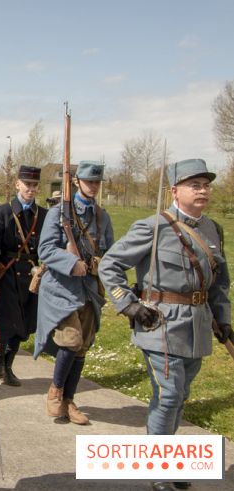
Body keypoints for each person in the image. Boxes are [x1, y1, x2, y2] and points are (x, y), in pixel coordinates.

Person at [99, 159, 230, 491]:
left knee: (181, 395)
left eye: (206, 185)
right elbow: (111, 265)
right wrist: (128, 304)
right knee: (169, 395)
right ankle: (158, 469)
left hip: (197, 327)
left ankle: (170, 459)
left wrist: (224, 322)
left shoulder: (213, 229)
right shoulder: (153, 226)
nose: (203, 190)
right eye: (194, 185)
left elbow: (219, 284)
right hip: (160, 324)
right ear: (175, 191)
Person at [34, 160, 114, 425]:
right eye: (89, 181)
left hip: (89, 289)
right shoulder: (59, 214)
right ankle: (55, 391)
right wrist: (72, 264)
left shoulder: (103, 217)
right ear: (77, 182)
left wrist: (101, 265)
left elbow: (109, 253)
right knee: (70, 341)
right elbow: (45, 249)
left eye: (97, 182)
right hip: (61, 289)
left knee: (82, 347)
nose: (93, 186)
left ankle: (69, 400)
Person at [0, 165, 47, 386]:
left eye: (34, 186)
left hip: (32, 277)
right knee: (7, 321)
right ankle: (1, 363)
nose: (30, 189)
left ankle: (7, 365)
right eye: (27, 185)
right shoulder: (3, 212)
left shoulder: (43, 215)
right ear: (17, 184)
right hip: (8, 274)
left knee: (24, 324)